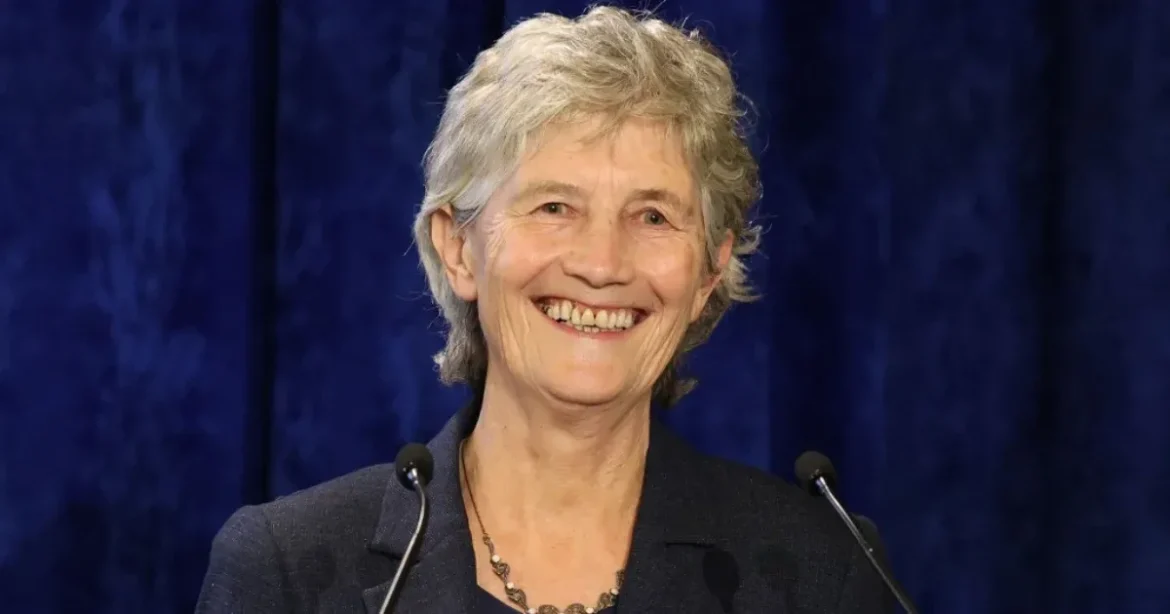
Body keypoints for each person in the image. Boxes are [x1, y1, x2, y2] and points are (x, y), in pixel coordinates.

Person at [195, 6, 891, 613]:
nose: (602, 264)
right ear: (458, 248)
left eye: (653, 216)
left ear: (709, 272)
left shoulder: (816, 575)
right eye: (555, 207)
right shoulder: (289, 571)